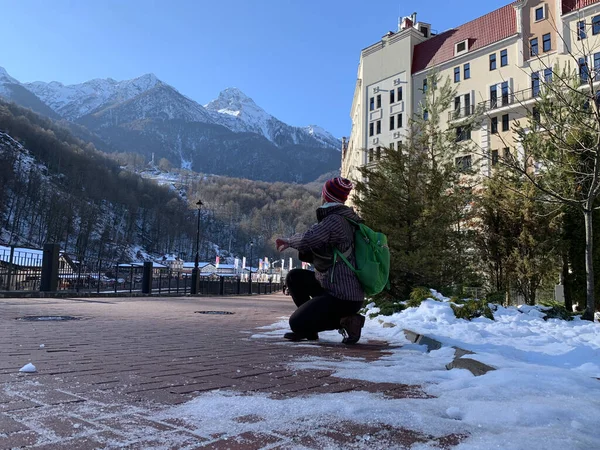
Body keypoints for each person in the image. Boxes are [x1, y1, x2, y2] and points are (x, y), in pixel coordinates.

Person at [275, 176, 366, 344]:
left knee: (295, 323)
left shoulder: (335, 220)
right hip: (335, 287)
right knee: (295, 277)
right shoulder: (346, 217)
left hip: (343, 296)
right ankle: (310, 329)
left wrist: (288, 242)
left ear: (326, 196)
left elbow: (308, 239)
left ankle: (349, 321)